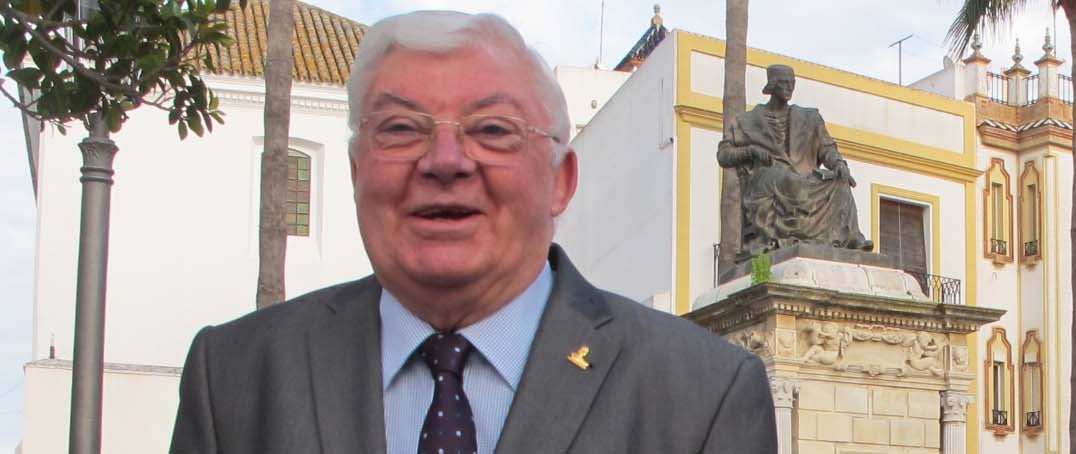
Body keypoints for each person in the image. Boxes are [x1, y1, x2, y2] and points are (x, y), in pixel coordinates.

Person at [169, 10, 775, 454]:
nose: (445, 160)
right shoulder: (234, 378)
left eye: (492, 130)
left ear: (561, 181)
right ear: (357, 172)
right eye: (402, 128)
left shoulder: (702, 395)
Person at [718, 64, 871, 259]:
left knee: (840, 181)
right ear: (772, 85)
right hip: (768, 181)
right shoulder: (747, 121)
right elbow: (723, 155)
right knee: (788, 180)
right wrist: (750, 151)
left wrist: (839, 163)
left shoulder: (810, 118)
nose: (789, 88)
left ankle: (851, 237)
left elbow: (827, 149)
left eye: (792, 83)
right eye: (784, 83)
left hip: (804, 180)